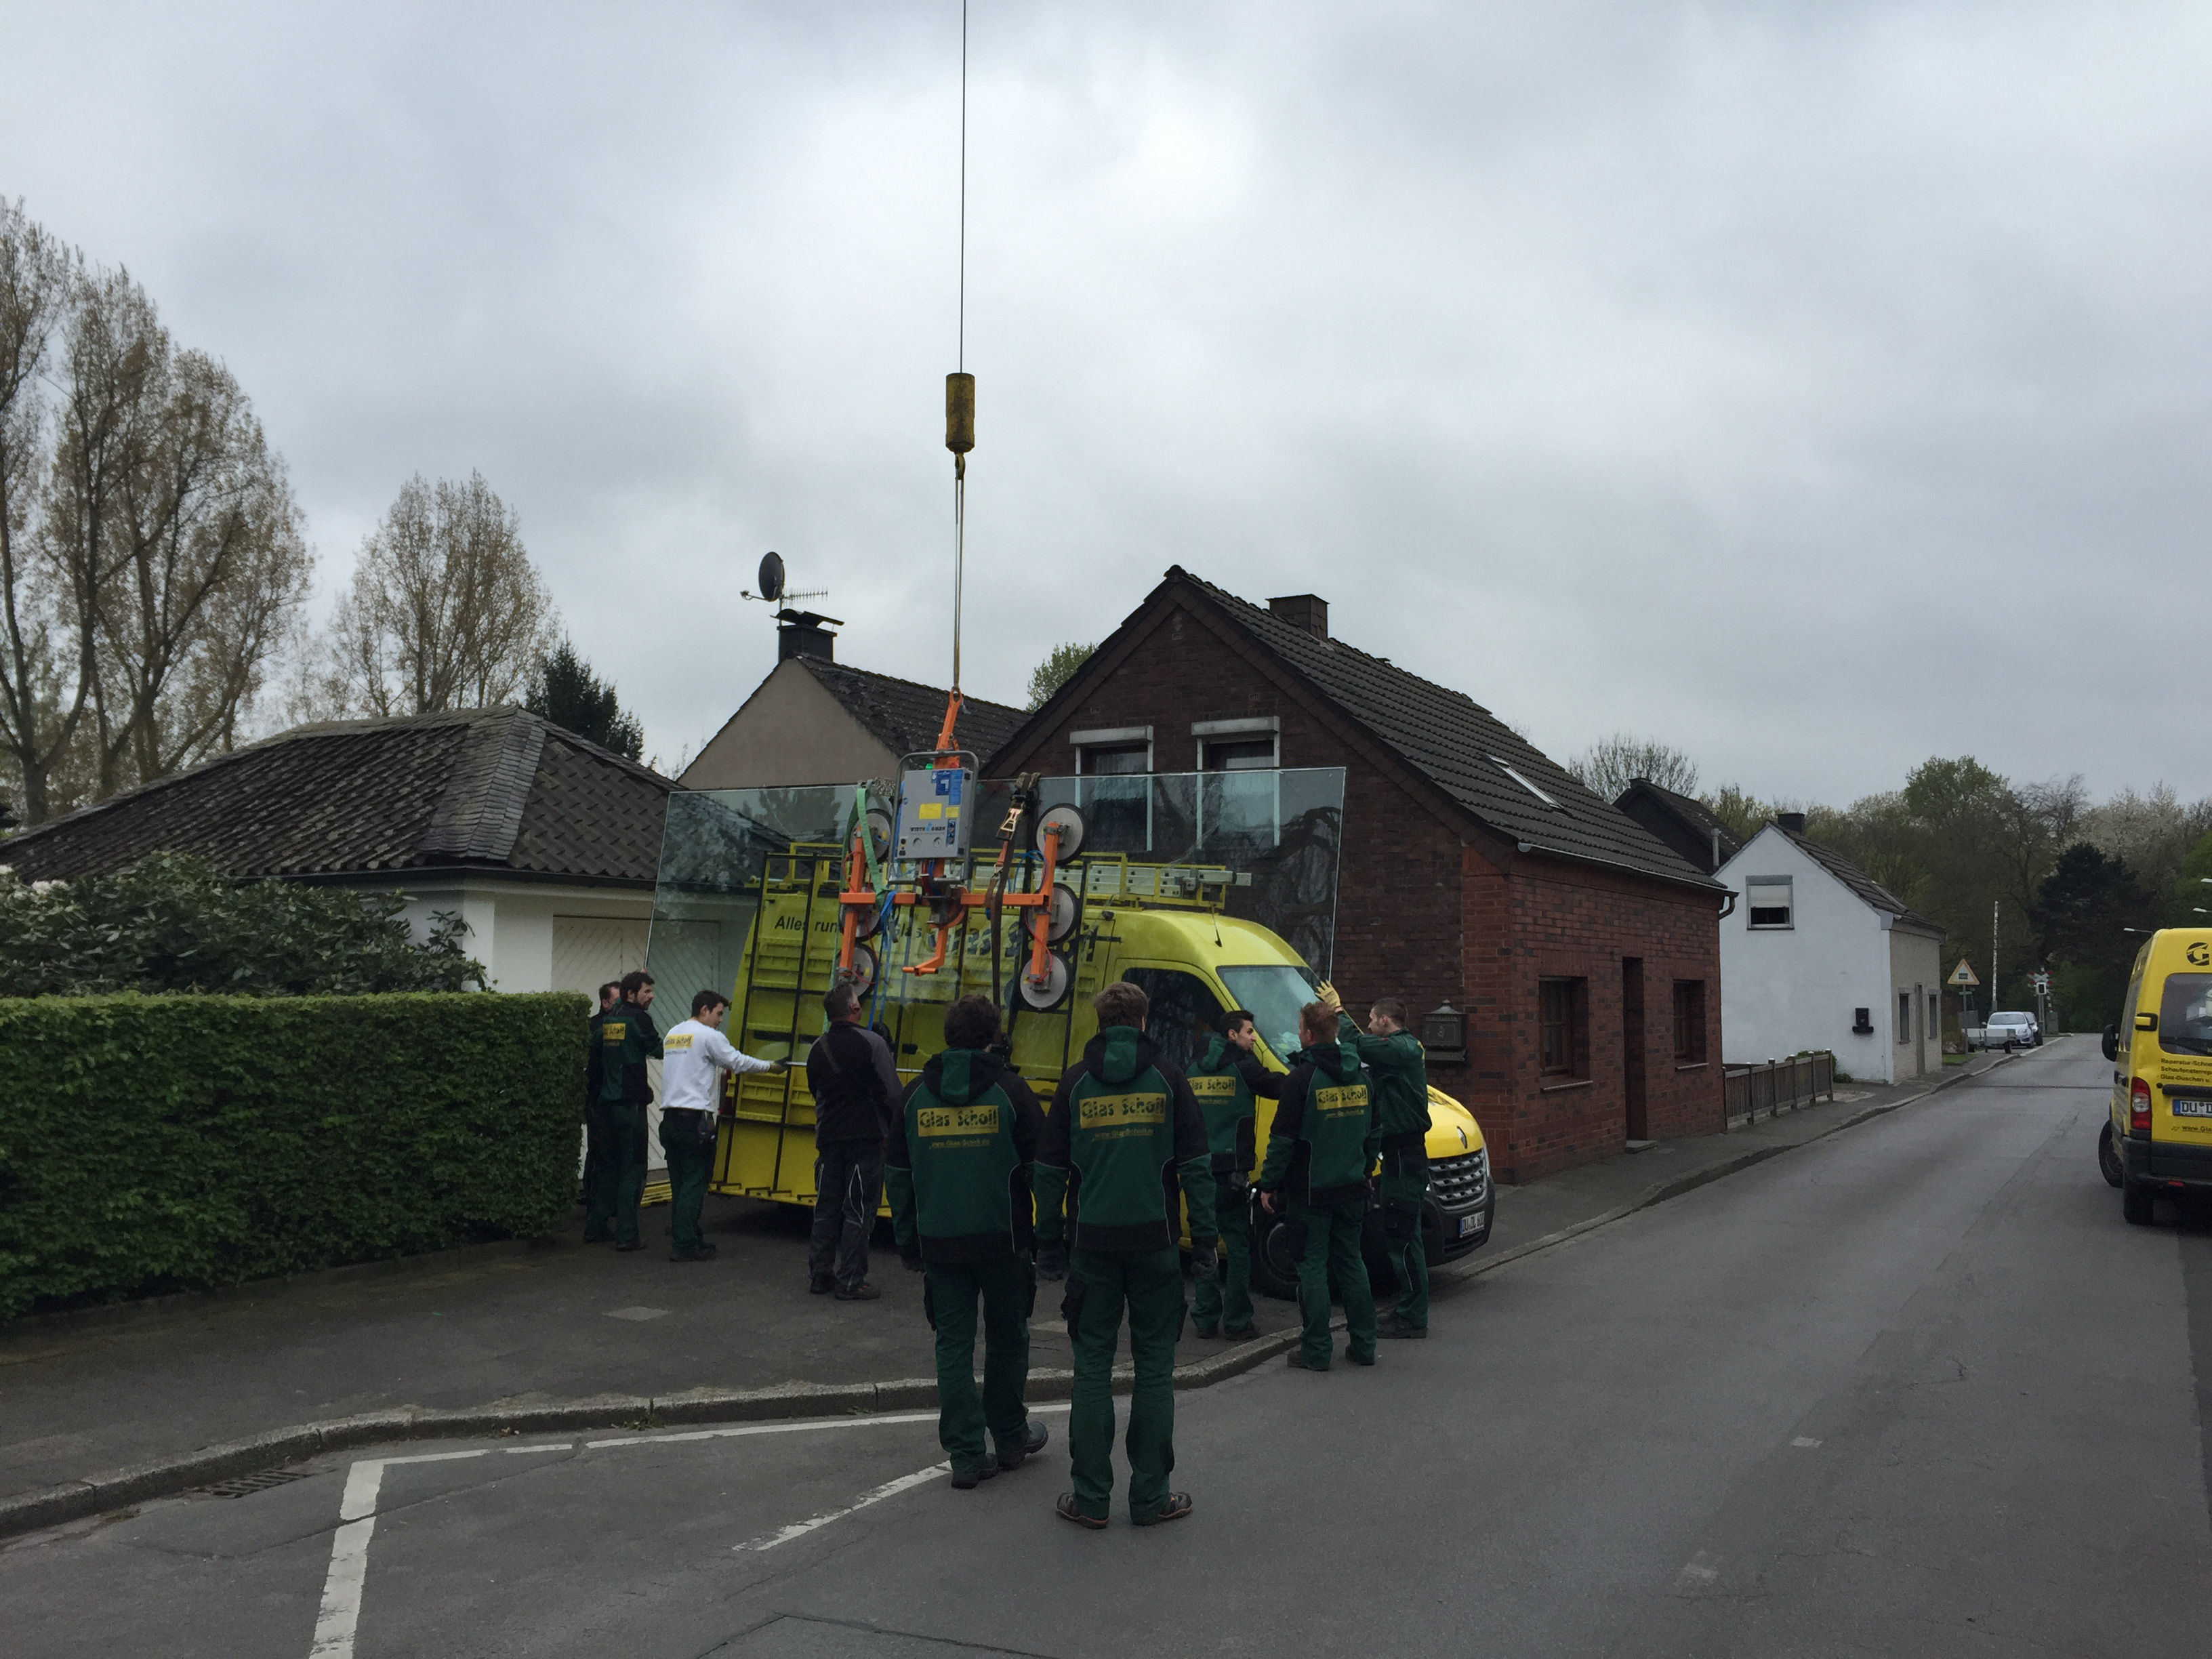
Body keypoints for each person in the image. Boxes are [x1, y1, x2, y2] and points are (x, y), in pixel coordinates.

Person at [1033, 979, 1214, 1530]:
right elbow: (1196, 1167)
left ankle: (1090, 1499)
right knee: (1155, 1366)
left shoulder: (1075, 1084)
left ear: (1100, 1023)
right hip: (1156, 1243)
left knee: (1092, 1366)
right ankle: (1151, 1497)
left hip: (1093, 1245)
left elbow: (1049, 1172)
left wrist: (1048, 1241)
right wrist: (1206, 1239)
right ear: (1143, 1022)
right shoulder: (1170, 1079)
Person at [885, 993, 1051, 1490]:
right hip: (1004, 1239)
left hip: (940, 1242)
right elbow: (1042, 1169)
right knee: (1008, 1339)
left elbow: (898, 1176)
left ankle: (965, 1454)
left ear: (947, 1035)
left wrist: (907, 1240)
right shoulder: (1012, 1091)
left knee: (952, 1346)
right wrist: (1050, 1234)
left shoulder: (914, 1095)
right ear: (993, 1036)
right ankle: (1011, 1435)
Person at [1258, 999, 1380, 1371]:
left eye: (1299, 1028)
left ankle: (1316, 1349)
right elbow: (1374, 1132)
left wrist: (1268, 1184)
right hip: (1352, 1187)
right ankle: (1364, 1345)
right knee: (1352, 1263)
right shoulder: (1362, 1077)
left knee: (1311, 1268)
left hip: (1310, 1192)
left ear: (1309, 1035)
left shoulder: (1301, 1080)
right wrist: (1365, 1169)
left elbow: (1282, 1141)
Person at [1329, 987, 1432, 1339]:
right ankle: (1409, 1308)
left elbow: (1360, 1045)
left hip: (1404, 1156)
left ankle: (1413, 1316)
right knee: (1403, 1234)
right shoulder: (1398, 1051)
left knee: (1404, 1237)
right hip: (1399, 1156)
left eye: (1372, 1020)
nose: (1370, 1026)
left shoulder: (1403, 1048)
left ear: (1385, 1020)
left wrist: (1339, 1013)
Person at [659, 989, 782, 1261]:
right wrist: (770, 1066)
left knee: (680, 1184)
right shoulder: (708, 1036)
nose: (719, 1020)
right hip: (695, 1122)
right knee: (694, 1183)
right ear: (704, 1010)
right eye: (718, 1014)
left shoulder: (673, 1034)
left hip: (670, 1121)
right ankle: (685, 1246)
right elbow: (736, 1061)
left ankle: (688, 1236)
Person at [1183, 1008, 1279, 1339]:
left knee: (1204, 1243)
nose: (1254, 1038)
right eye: (1249, 1032)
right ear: (1232, 1035)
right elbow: (1282, 1087)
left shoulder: (1191, 1069)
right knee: (1238, 1246)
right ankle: (1237, 1321)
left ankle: (1205, 1318)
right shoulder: (1244, 1068)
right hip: (1231, 1173)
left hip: (1197, 1171)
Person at [805, 982, 905, 1299]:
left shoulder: (817, 1048)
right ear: (855, 1009)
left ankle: (820, 1276)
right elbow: (893, 1095)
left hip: (829, 1140)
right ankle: (850, 1281)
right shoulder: (873, 1044)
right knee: (859, 1210)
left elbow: (816, 1092)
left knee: (826, 1208)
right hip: (866, 1139)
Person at [590, 970, 663, 1252]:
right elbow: (657, 1049)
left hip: (606, 1104)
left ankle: (595, 1227)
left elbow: (595, 1045)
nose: (651, 997)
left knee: (610, 1168)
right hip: (630, 1106)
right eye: (647, 992)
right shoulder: (639, 1018)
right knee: (633, 1169)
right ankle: (627, 1234)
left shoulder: (611, 1017)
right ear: (632, 995)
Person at [581, 981, 622, 1240]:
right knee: (599, 1154)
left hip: (606, 1100)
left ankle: (603, 1206)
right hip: (598, 1100)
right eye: (617, 1001)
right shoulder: (597, 1028)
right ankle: (594, 1205)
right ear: (605, 1003)